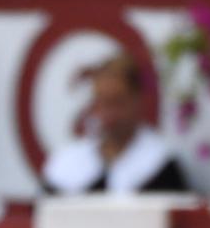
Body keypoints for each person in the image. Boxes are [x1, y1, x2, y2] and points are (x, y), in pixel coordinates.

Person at [42, 52, 189, 194]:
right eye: (101, 102)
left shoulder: (160, 165)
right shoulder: (67, 162)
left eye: (117, 103)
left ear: (137, 100)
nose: (108, 114)